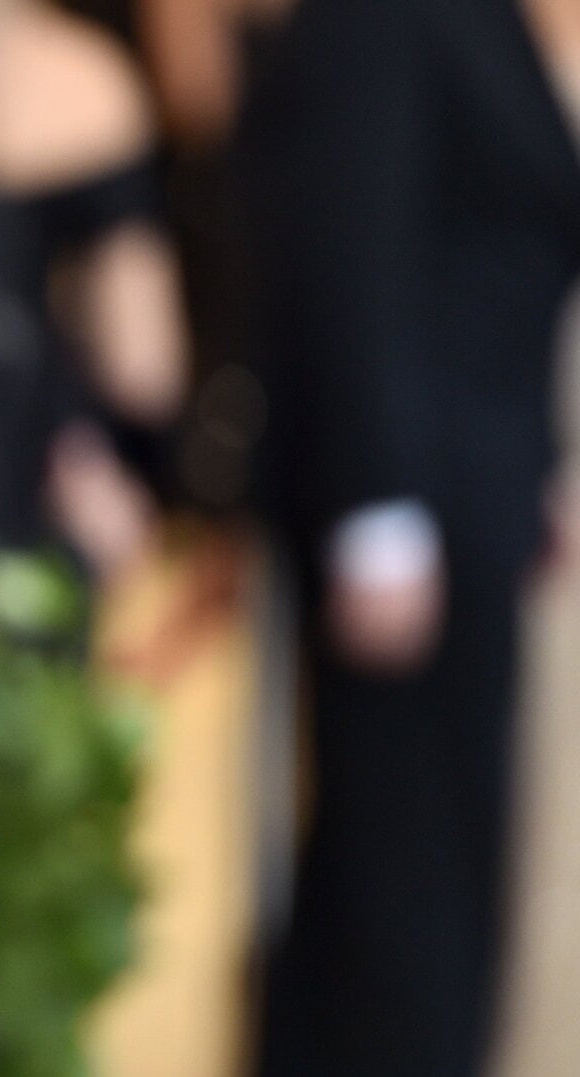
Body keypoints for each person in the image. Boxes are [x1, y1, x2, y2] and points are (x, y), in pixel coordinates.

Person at [242, 0, 580, 1072]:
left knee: (430, 860)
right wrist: (378, 513)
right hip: (408, 520)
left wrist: (536, 472)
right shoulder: (381, 16)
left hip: (472, 500)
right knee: (402, 881)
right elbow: (353, 263)